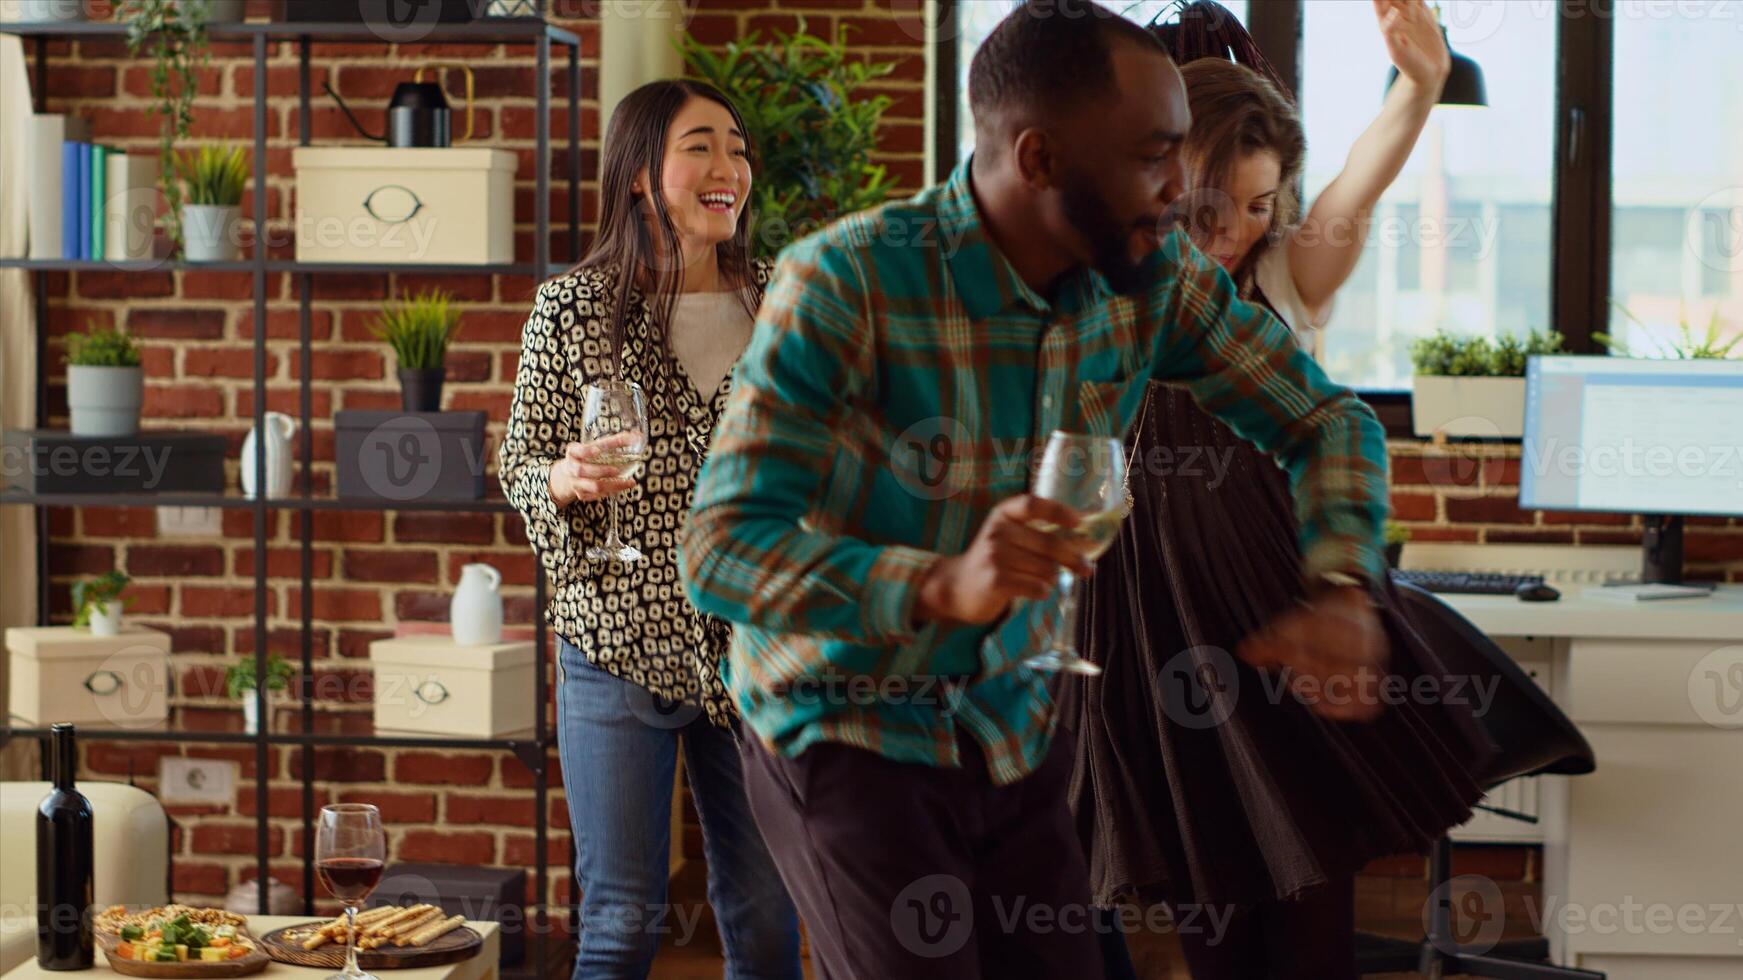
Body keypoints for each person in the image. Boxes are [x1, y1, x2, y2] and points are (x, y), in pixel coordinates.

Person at [680, 3, 1397, 977]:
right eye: (1154, 155)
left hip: (1016, 729)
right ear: (1042, 158)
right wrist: (939, 585)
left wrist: (1341, 581)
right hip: (848, 727)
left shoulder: (1154, 282)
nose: (1183, 187)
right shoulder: (849, 281)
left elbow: (1326, 419)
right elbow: (721, 547)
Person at [1067, 3, 1495, 978]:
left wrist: (1419, 87)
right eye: (1216, 207)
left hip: (1282, 609)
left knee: (1306, 900)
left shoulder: (1285, 275)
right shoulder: (1111, 284)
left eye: (1262, 206)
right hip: (1155, 627)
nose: (1238, 232)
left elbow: (1361, 179)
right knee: (1208, 896)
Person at [498, 79, 801, 980]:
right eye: (700, 145)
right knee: (620, 918)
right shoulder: (571, 310)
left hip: (756, 647)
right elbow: (519, 460)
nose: (728, 167)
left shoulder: (785, 302)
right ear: (639, 175)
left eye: (738, 149)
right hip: (615, 641)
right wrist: (558, 477)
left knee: (766, 908)